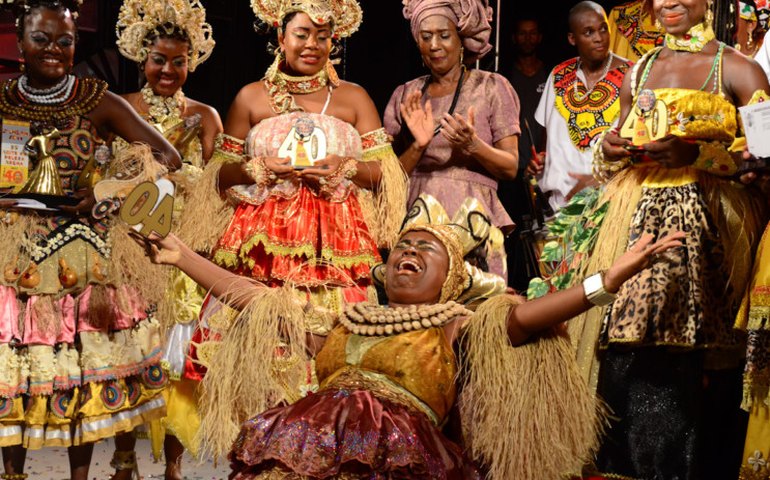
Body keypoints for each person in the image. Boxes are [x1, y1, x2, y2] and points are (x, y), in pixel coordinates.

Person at [133, 193, 684, 479]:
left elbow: (530, 317)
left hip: (403, 457)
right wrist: (184, 257)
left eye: (427, 251)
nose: (409, 254)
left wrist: (606, 282)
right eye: (402, 247)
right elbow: (257, 297)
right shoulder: (345, 319)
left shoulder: (459, 327)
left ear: (450, 279)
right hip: (310, 446)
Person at [166, 0, 407, 460]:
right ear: (281, 37)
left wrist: (347, 167)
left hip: (337, 252)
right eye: (301, 34)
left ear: (334, 41)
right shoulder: (250, 97)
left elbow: (388, 179)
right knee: (261, 374)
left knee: (331, 367)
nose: (312, 45)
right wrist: (257, 167)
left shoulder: (354, 98)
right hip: (261, 252)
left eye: (322, 36)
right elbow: (218, 178)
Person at [572, 0, 770, 476]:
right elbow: (615, 149)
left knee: (698, 373)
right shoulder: (637, 70)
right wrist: (614, 146)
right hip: (631, 226)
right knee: (629, 360)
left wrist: (698, 155)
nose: (667, 3)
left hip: (709, 237)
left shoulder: (741, 70)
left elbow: (765, 166)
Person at [0, 1, 182, 480]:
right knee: (19, 366)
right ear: (20, 42)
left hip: (87, 255)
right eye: (42, 39)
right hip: (15, 251)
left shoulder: (97, 98)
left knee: (90, 367)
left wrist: (108, 191)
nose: (54, 50)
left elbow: (165, 158)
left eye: (65, 40)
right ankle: (13, 475)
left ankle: (95, 473)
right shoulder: (2, 99)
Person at [114, 0, 222, 478]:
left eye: (179, 61)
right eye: (159, 59)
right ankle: (122, 459)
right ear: (143, 58)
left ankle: (173, 465)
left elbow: (218, 187)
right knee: (126, 351)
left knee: (176, 359)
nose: (168, 70)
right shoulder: (120, 108)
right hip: (127, 241)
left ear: (190, 62)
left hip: (181, 243)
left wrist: (185, 178)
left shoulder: (205, 115)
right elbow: (101, 171)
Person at [384, 0, 519, 279]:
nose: (434, 45)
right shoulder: (406, 94)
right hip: (415, 218)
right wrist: (418, 145)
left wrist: (474, 146)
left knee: (471, 311)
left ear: (461, 40)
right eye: (426, 36)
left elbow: (510, 167)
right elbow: (389, 179)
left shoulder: (491, 87)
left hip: (473, 217)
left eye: (444, 35)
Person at [532, 1, 631, 213]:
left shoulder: (632, 75)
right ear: (572, 38)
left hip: (612, 202)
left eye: (603, 29)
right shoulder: (558, 75)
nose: (599, 38)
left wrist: (600, 182)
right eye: (588, 32)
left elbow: (638, 142)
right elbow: (547, 135)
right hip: (560, 207)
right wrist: (541, 159)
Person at [498, 17, 548, 292]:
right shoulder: (504, 77)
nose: (528, 39)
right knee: (512, 235)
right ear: (515, 38)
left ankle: (542, 290)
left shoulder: (549, 75)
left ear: (539, 37)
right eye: (522, 34)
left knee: (542, 237)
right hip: (510, 172)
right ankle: (511, 290)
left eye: (533, 34)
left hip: (542, 168)